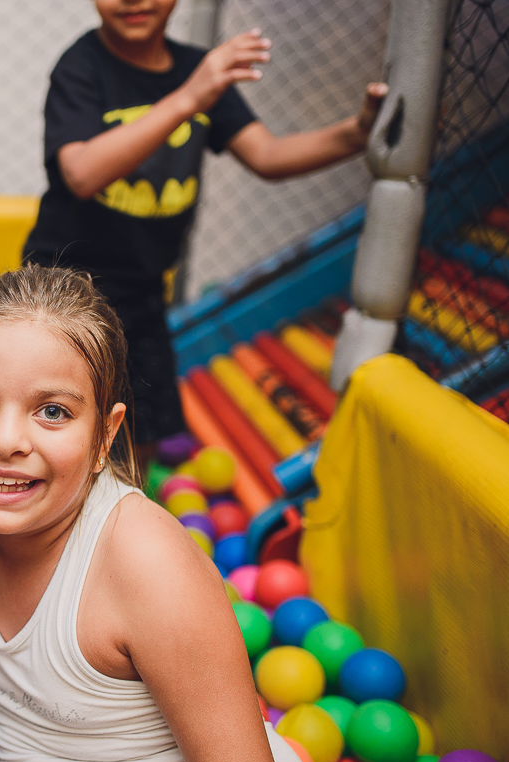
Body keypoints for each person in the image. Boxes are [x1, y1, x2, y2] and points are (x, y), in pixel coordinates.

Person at [0, 265, 316, 762]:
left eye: (53, 411)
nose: (5, 439)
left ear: (105, 435)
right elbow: (11, 718)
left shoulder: (144, 562)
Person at [21, 0, 387, 457]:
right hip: (63, 289)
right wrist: (190, 98)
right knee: (52, 417)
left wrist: (357, 133)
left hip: (142, 292)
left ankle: (120, 520)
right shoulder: (83, 66)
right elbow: (82, 173)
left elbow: (268, 156)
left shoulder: (197, 70)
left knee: (141, 431)